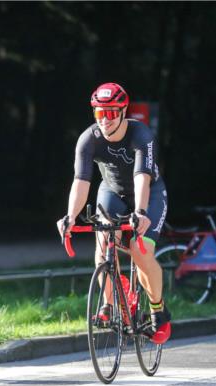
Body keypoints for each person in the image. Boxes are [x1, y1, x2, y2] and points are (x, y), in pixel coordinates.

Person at [56, 82, 171, 341]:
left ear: (122, 112)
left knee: (141, 254)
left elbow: (143, 176)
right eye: (99, 114)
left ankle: (157, 309)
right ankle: (112, 303)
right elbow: (81, 181)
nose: (104, 120)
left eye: (110, 113)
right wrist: (70, 217)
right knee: (102, 248)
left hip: (149, 194)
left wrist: (141, 212)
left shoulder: (141, 135)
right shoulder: (88, 140)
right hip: (112, 193)